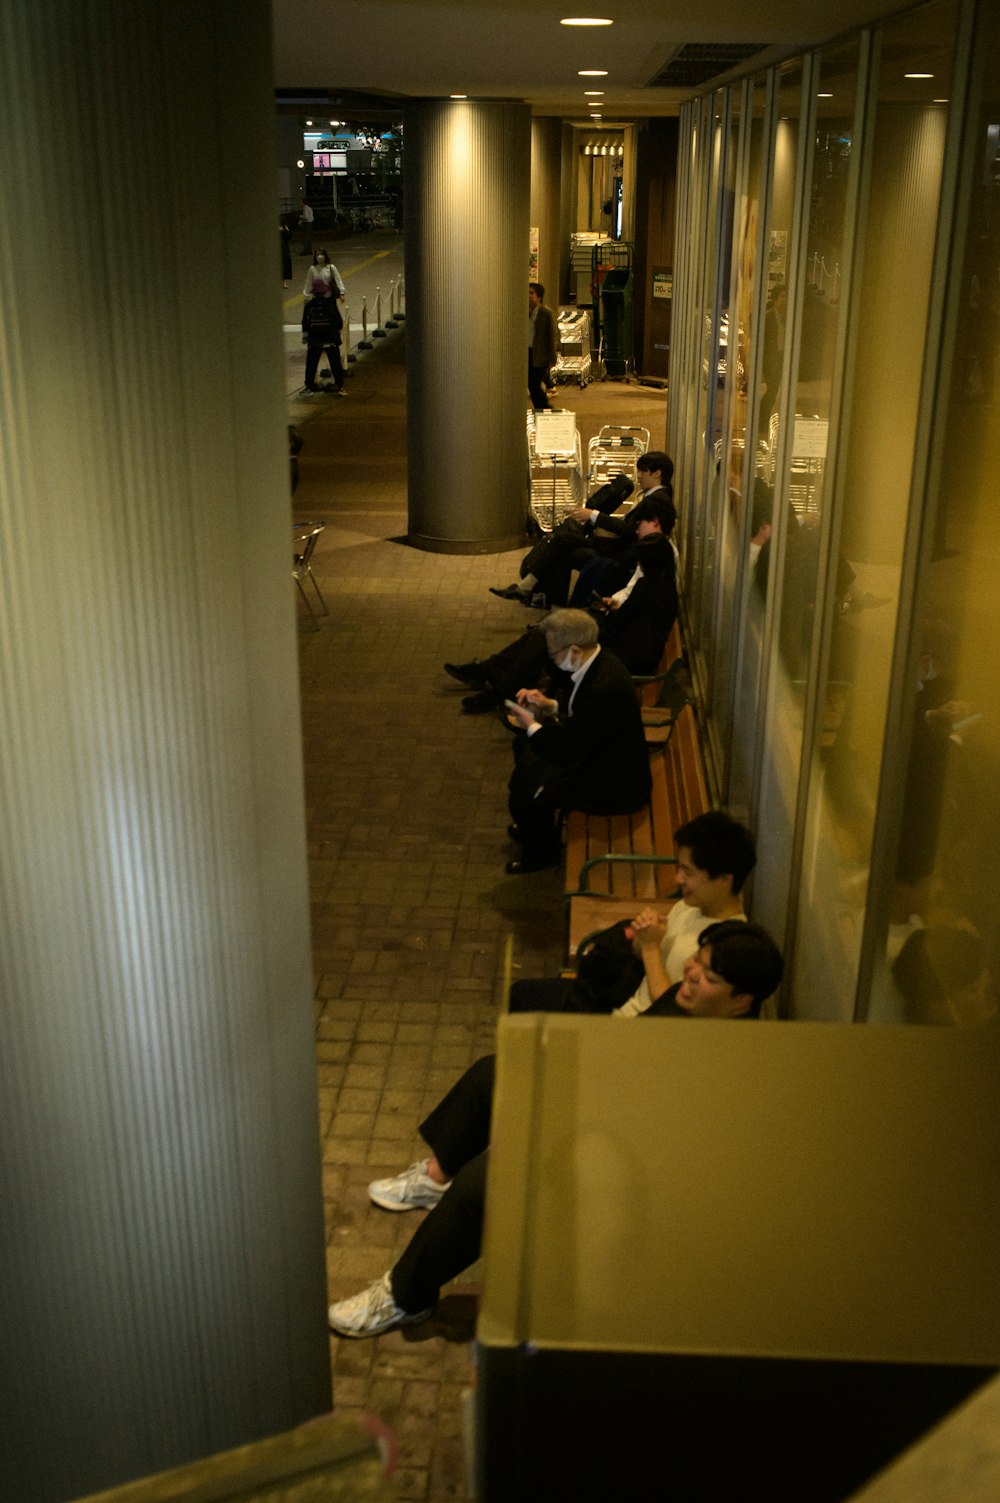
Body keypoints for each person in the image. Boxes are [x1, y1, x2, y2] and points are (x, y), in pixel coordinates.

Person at [327, 919, 784, 1338]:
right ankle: (434, 1179)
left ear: (742, 1000)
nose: (691, 974)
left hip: (628, 1173)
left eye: (709, 977)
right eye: (697, 962)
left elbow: (663, 1151)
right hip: (601, 1111)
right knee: (495, 1073)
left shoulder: (731, 1064)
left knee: (483, 1183)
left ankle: (406, 1297)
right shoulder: (688, 1005)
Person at [508, 810, 755, 1015]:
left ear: (724, 880)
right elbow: (648, 955)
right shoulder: (693, 907)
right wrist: (642, 937)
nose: (678, 879)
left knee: (524, 1004)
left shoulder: (724, 947)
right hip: (622, 1002)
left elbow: (670, 1011)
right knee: (521, 995)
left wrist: (649, 948)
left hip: (631, 1028)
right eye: (679, 868)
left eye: (688, 872)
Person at [503, 609, 651, 874]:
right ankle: (535, 826)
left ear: (573, 650)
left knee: (525, 791)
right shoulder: (602, 663)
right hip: (603, 759)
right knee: (526, 758)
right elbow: (587, 721)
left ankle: (541, 852)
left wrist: (531, 724)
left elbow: (568, 749)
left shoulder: (602, 687)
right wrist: (549, 706)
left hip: (613, 786)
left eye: (552, 652)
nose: (551, 658)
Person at [491, 451, 675, 609]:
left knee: (562, 544)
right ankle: (540, 597)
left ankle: (532, 591)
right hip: (616, 549)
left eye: (643, 471)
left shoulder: (656, 500)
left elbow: (628, 529)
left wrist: (593, 515)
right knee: (562, 544)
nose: (639, 475)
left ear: (657, 473)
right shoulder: (658, 496)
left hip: (618, 555)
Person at [301, 280, 345, 395]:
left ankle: (309, 386)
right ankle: (339, 385)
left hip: (315, 340)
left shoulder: (309, 305)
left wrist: (306, 337)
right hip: (331, 339)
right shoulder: (331, 304)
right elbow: (339, 322)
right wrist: (337, 333)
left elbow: (305, 323)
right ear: (325, 292)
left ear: (314, 293)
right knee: (335, 363)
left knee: (311, 364)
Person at [528, 282, 558, 410]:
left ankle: (545, 409)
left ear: (539, 296)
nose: (528, 296)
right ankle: (541, 409)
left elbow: (552, 335)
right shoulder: (525, 312)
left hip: (540, 355)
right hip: (527, 353)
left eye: (531, 293)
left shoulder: (546, 313)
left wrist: (552, 358)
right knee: (532, 384)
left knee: (533, 384)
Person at [279, 217, 292, 286]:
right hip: (281, 247)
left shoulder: (284, 229)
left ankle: (284, 282)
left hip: (284, 248)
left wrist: (286, 230)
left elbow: (289, 237)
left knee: (285, 263)